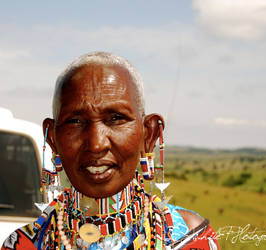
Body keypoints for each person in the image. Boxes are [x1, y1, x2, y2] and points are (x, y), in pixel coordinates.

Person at [1, 52, 219, 250]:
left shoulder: (190, 238)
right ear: (52, 138)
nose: (96, 145)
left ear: (148, 135)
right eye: (75, 121)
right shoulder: (22, 245)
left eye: (116, 118)